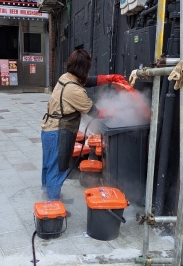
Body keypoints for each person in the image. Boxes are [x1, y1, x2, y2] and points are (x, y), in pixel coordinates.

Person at [41, 49, 129, 200]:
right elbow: (95, 112)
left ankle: (48, 194)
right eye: (87, 69)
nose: (88, 73)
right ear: (83, 69)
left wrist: (110, 78)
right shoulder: (75, 91)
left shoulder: (66, 77)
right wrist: (114, 111)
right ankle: (52, 205)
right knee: (57, 168)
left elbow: (88, 81)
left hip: (49, 129)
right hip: (58, 132)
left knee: (48, 165)